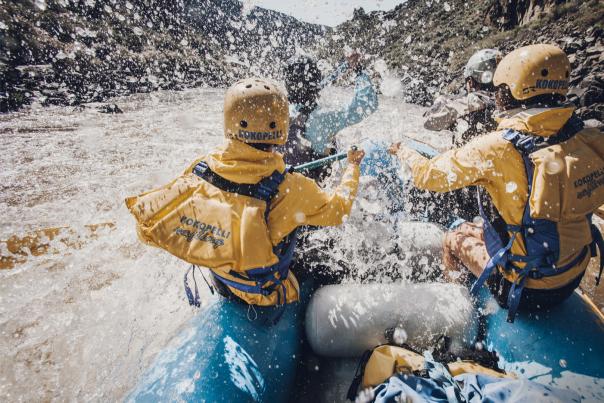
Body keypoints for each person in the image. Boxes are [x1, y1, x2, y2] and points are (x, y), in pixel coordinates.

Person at [389, 44, 604, 322]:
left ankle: (458, 317)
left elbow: (427, 176)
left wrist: (400, 151)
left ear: (510, 91)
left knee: (452, 237)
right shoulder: (586, 136)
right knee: (480, 226)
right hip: (573, 271)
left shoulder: (497, 147)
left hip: (528, 291)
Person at [126, 77, 365, 309]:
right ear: (281, 124)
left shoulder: (201, 167)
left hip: (223, 282)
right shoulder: (293, 187)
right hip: (265, 293)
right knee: (329, 260)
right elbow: (339, 211)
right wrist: (352, 167)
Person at [409, 49, 502, 227]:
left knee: (421, 180)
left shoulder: (467, 102)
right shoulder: (509, 103)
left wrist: (440, 103)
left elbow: (429, 123)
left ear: (470, 80)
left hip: (469, 188)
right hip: (498, 187)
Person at [279, 54, 378, 181]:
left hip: (284, 184)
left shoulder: (283, 109)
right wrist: (358, 71)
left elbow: (320, 85)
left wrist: (346, 66)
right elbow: (367, 104)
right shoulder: (323, 117)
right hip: (314, 189)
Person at [423, 49, 501, 147]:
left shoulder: (472, 101)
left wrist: (439, 103)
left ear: (470, 82)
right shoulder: (508, 98)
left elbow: (429, 122)